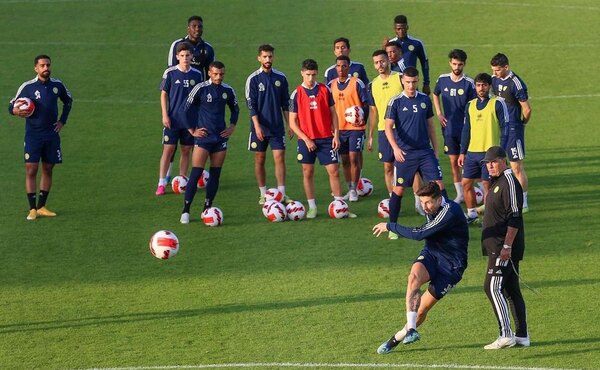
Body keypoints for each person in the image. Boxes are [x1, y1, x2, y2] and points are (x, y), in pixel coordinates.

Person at [372, 181, 468, 353]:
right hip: (432, 254)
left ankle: (398, 337)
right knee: (413, 277)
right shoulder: (431, 207)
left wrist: (390, 226)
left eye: (428, 202)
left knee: (422, 310)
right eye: (421, 202)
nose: (425, 207)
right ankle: (411, 330)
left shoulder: (449, 212)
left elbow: (419, 234)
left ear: (439, 199)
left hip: (452, 266)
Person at [384, 67, 448, 240]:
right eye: (408, 82)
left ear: (417, 81)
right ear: (402, 81)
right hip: (405, 154)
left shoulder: (424, 99)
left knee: (439, 185)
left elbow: (430, 126)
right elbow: (388, 127)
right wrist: (396, 148)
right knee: (398, 190)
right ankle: (393, 227)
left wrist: (435, 149)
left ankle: (446, 223)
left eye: (414, 82)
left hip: (425, 152)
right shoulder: (395, 102)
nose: (411, 85)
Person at [8, 55, 73, 221]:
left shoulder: (57, 85)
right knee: (31, 168)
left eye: (48, 65)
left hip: (51, 134)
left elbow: (68, 101)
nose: (46, 68)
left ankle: (42, 206)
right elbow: (11, 105)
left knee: (48, 168)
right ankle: (32, 209)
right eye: (42, 65)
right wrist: (14, 111)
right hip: (33, 135)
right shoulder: (27, 87)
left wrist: (62, 121)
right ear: (36, 68)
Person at [288, 59, 354, 219]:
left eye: (313, 75)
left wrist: (336, 135)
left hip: (326, 138)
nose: (310, 78)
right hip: (306, 140)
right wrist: (306, 139)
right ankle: (312, 207)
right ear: (302, 73)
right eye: (308, 75)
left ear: (317, 73)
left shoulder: (325, 90)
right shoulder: (296, 93)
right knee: (307, 172)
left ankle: (340, 207)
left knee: (334, 171)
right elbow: (292, 122)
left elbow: (334, 114)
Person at [480, 146, 529, 349]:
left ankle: (506, 335)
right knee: (510, 290)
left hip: (503, 248)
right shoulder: (497, 182)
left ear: (503, 161)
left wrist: (507, 246)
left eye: (493, 162)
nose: (490, 166)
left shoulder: (509, 182)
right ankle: (522, 336)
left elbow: (515, 217)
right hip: (498, 246)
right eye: (487, 163)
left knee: (491, 287)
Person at [179, 61, 239, 224]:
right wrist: (192, 130)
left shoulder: (228, 90)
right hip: (203, 138)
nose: (219, 77)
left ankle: (207, 207)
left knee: (215, 175)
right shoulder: (201, 88)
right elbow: (184, 108)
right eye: (215, 74)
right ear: (210, 73)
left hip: (220, 138)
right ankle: (186, 209)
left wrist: (232, 126)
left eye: (221, 74)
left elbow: (235, 109)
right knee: (196, 173)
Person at [166, 15, 215, 182]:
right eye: (194, 26)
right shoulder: (177, 45)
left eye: (199, 26)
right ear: (188, 28)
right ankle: (167, 175)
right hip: (177, 101)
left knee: (193, 141)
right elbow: (171, 71)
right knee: (171, 145)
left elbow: (211, 73)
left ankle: (191, 175)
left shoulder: (208, 49)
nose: (197, 29)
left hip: (197, 102)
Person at [245, 44, 293, 205]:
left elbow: (286, 104)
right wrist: (257, 127)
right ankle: (263, 193)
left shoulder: (281, 78)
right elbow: (251, 106)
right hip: (259, 127)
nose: (267, 59)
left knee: (279, 158)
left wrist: (290, 124)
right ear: (259, 58)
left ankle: (282, 193)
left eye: (270, 56)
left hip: (277, 127)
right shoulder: (253, 79)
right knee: (260, 158)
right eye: (264, 57)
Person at [458, 73, 508, 223]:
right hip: (472, 152)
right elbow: (466, 129)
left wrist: (501, 152)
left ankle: (489, 217)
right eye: (478, 85)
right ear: (475, 86)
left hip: (490, 154)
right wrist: (462, 152)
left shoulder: (497, 103)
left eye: (484, 85)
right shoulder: (470, 105)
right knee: (466, 183)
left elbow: (505, 127)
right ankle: (472, 215)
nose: (481, 88)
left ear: (489, 86)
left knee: (487, 185)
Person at [156, 42, 203, 196]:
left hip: (189, 121)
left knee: (186, 150)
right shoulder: (170, 73)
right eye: (182, 56)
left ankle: (182, 180)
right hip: (173, 120)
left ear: (192, 56)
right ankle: (162, 183)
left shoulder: (197, 75)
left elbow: (199, 98)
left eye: (187, 55)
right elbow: (163, 94)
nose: (185, 58)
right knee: (168, 149)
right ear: (177, 57)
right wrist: (165, 114)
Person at [432, 49, 476, 203]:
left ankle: (469, 189)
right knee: (453, 161)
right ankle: (461, 194)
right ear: (450, 63)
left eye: (460, 64)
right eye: (455, 64)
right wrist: (439, 113)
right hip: (449, 129)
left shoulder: (469, 83)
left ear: (464, 64)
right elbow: (435, 94)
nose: (457, 67)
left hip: (465, 130)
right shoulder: (442, 80)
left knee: (468, 162)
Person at [490, 53, 532, 212]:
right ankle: (497, 199)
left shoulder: (516, 83)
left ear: (506, 67)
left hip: (514, 130)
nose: (495, 73)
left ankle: (524, 202)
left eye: (498, 70)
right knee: (495, 165)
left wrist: (522, 123)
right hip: (498, 128)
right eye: (493, 70)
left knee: (516, 167)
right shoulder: (493, 79)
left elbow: (527, 109)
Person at [327, 55, 369, 202]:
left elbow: (366, 105)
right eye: (338, 66)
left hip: (355, 129)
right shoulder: (330, 85)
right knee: (344, 159)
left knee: (354, 158)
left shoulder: (357, 83)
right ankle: (349, 186)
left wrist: (362, 119)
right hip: (339, 129)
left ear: (348, 67)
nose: (340, 69)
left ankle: (354, 190)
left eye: (344, 66)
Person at [367, 50, 403, 202]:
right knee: (388, 167)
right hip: (383, 131)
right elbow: (373, 112)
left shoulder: (400, 78)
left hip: (402, 130)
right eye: (376, 62)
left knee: (409, 167)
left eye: (382, 61)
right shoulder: (372, 85)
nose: (379, 65)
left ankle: (418, 201)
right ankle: (392, 199)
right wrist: (370, 135)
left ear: (388, 60)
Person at [384, 15, 431, 95]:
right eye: (398, 29)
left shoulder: (417, 43)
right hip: (395, 83)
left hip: (411, 82)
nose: (401, 31)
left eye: (403, 28)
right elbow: (384, 63)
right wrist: (383, 49)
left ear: (407, 27)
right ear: (394, 29)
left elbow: (424, 62)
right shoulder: (390, 44)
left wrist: (426, 83)